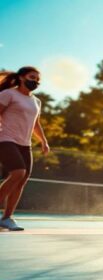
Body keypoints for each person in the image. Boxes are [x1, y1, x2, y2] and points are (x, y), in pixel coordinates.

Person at [0, 67, 50, 231]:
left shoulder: (36, 101)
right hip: (6, 139)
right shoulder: (9, 94)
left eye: (37, 79)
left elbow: (36, 124)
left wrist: (43, 141)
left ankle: (7, 218)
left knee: (22, 180)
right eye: (31, 77)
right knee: (18, 172)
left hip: (25, 144)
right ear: (21, 78)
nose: (35, 81)